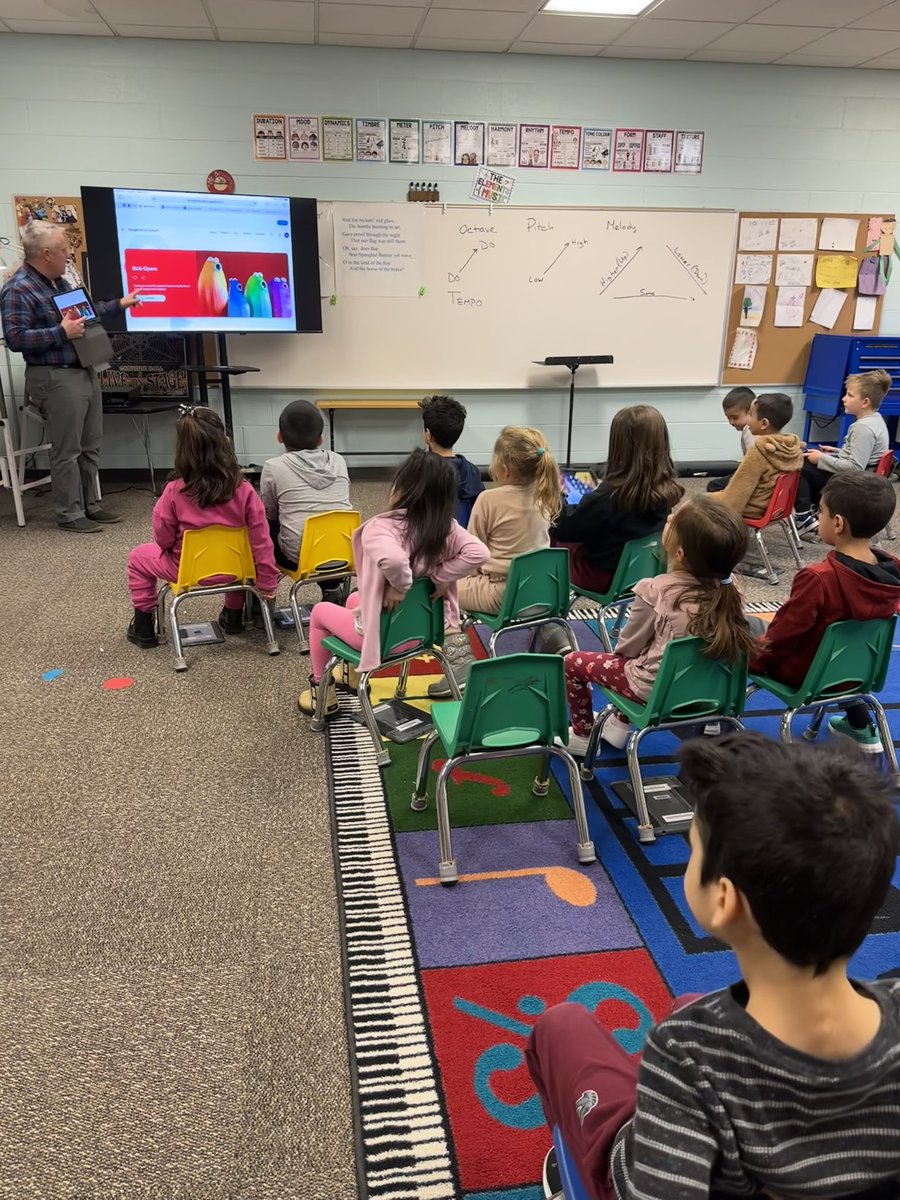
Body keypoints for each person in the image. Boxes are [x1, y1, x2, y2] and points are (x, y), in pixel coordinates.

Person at [528, 732, 900, 1200]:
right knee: (690, 1003)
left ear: (724, 900)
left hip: (635, 1165)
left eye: (692, 847)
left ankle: (576, 1178)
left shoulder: (684, 1057)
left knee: (560, 1025)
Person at [298, 449, 489, 717]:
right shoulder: (447, 527)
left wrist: (400, 587)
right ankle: (351, 677)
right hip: (420, 634)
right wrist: (441, 576)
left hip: (382, 639)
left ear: (402, 489)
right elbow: (479, 553)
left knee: (319, 614)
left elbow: (394, 560)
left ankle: (323, 691)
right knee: (354, 600)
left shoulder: (382, 528)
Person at [563, 495, 755, 755]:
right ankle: (619, 724)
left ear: (679, 553)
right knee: (653, 652)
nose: (668, 518)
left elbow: (627, 650)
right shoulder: (733, 594)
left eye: (673, 521)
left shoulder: (654, 590)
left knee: (574, 663)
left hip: (656, 693)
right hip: (712, 694)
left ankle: (584, 735)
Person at [0, 221, 140, 532]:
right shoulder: (18, 288)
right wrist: (60, 331)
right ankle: (69, 513)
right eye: (64, 250)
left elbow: (88, 312)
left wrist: (120, 304)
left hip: (84, 371)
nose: (69, 255)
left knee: (90, 445)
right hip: (55, 376)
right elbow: (15, 338)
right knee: (67, 449)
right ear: (46, 254)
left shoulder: (59, 283)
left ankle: (91, 505)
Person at [750, 472, 900, 752]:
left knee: (746, 628)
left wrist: (753, 658)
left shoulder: (818, 578)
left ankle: (713, 725)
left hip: (806, 674)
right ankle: (860, 723)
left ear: (838, 523)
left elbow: (784, 635)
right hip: (857, 674)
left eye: (820, 511)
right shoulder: (891, 569)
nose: (818, 517)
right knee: (849, 639)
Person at [126, 407, 279, 648]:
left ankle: (144, 627)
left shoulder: (174, 490)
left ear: (182, 449)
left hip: (186, 569)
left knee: (137, 557)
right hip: (236, 569)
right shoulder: (245, 488)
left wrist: (172, 549)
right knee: (239, 552)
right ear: (226, 442)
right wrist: (268, 581)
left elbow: (162, 537)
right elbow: (261, 541)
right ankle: (233, 616)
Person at [427, 425, 562, 698]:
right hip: (545, 593)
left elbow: (472, 552)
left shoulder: (488, 499)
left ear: (504, 467)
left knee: (439, 590)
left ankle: (459, 660)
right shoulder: (546, 492)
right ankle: (552, 633)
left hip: (502, 594)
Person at [552, 405, 684, 594]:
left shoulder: (607, 498)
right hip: (644, 573)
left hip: (601, 576)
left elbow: (563, 529)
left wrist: (557, 495)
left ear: (618, 446)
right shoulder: (665, 489)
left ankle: (543, 606)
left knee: (550, 531)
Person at [259, 399, 351, 600]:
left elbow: (270, 513)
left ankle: (258, 602)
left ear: (279, 437)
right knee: (327, 520)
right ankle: (332, 587)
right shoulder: (339, 461)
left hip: (297, 557)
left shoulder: (273, 467)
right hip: (343, 553)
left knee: (260, 525)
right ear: (321, 439)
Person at [795, 368, 891, 535]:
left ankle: (803, 516)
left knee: (799, 465)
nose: (844, 398)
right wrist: (835, 452)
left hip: (857, 485)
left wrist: (821, 459)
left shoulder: (862, 428)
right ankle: (817, 509)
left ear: (865, 402)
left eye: (850, 395)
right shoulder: (876, 419)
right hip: (868, 478)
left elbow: (855, 467)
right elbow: (862, 455)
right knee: (810, 456)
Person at [709, 392, 803, 520]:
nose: (748, 419)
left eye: (751, 414)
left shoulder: (758, 451)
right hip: (773, 507)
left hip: (753, 508)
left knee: (697, 503)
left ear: (764, 423)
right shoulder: (792, 447)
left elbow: (737, 495)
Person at [419, 394, 484, 527]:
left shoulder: (416, 471)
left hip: (426, 543)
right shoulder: (472, 471)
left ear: (428, 435)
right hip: (463, 542)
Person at [706, 386, 756, 493]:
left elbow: (754, 464)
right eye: (728, 418)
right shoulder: (750, 430)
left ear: (751, 413)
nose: (731, 422)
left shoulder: (750, 431)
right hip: (749, 473)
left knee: (714, 486)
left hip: (751, 477)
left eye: (735, 417)